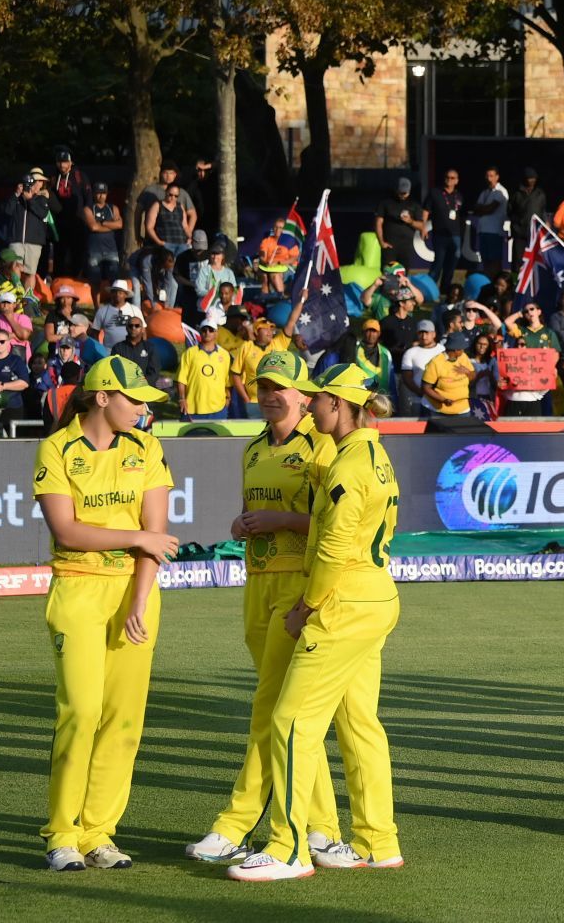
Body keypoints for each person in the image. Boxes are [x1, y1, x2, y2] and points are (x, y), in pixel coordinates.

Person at [227, 363, 404, 880]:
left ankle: (288, 847)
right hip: (375, 597)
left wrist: (306, 606)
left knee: (290, 723)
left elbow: (331, 547)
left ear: (338, 406)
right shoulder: (374, 453)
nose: (312, 404)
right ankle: (377, 840)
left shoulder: (346, 466)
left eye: (320, 398)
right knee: (359, 723)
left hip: (343, 604)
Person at [188, 353, 348, 864]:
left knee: (271, 710)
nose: (270, 394)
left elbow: (336, 524)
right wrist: (242, 524)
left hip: (298, 584)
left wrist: (281, 518)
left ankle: (235, 825)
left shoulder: (321, 448)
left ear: (305, 395)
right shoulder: (255, 448)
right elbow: (253, 512)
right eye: (263, 386)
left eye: (281, 387)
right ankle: (321, 828)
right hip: (256, 581)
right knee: (291, 714)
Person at [34, 357, 178, 872]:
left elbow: (156, 538)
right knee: (82, 711)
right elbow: (67, 532)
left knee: (124, 721)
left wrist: (139, 599)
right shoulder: (57, 448)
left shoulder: (148, 447)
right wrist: (136, 537)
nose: (142, 409)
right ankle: (62, 834)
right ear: (102, 397)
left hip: (136, 594)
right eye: (133, 398)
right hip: (77, 588)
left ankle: (99, 834)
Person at [177, 322, 232, 421]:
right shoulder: (189, 353)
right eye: (204, 330)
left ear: (216, 333)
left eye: (211, 330)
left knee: (218, 436)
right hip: (192, 408)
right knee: (190, 436)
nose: (207, 332)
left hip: (218, 408)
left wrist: (228, 398)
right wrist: (182, 398)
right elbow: (181, 379)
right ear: (200, 332)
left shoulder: (225, 355)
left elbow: (226, 381)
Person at [374, 179, 426, 270]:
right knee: (387, 273)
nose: (402, 195)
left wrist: (410, 221)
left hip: (406, 247)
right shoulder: (386, 203)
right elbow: (378, 223)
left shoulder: (414, 205)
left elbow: (421, 226)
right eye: (400, 192)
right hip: (390, 246)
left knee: (403, 274)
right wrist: (381, 242)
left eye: (405, 193)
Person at [472, 167, 511, 271]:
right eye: (487, 176)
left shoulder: (501, 191)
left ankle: (495, 281)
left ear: (497, 177)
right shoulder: (484, 192)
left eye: (491, 176)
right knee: (485, 259)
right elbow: (476, 208)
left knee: (495, 260)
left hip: (494, 231)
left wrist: (482, 209)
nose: (488, 178)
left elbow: (490, 208)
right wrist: (482, 209)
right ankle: (489, 281)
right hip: (483, 230)